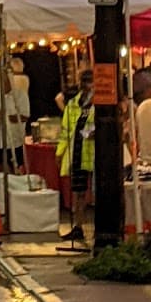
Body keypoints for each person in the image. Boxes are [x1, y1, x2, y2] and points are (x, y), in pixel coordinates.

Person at [56, 69, 96, 241]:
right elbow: (65, 130)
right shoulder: (73, 104)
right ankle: (78, 226)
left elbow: (98, 126)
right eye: (85, 81)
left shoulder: (100, 104)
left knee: (95, 192)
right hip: (78, 152)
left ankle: (97, 227)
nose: (88, 85)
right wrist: (60, 152)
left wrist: (88, 133)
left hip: (95, 153)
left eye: (90, 81)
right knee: (78, 192)